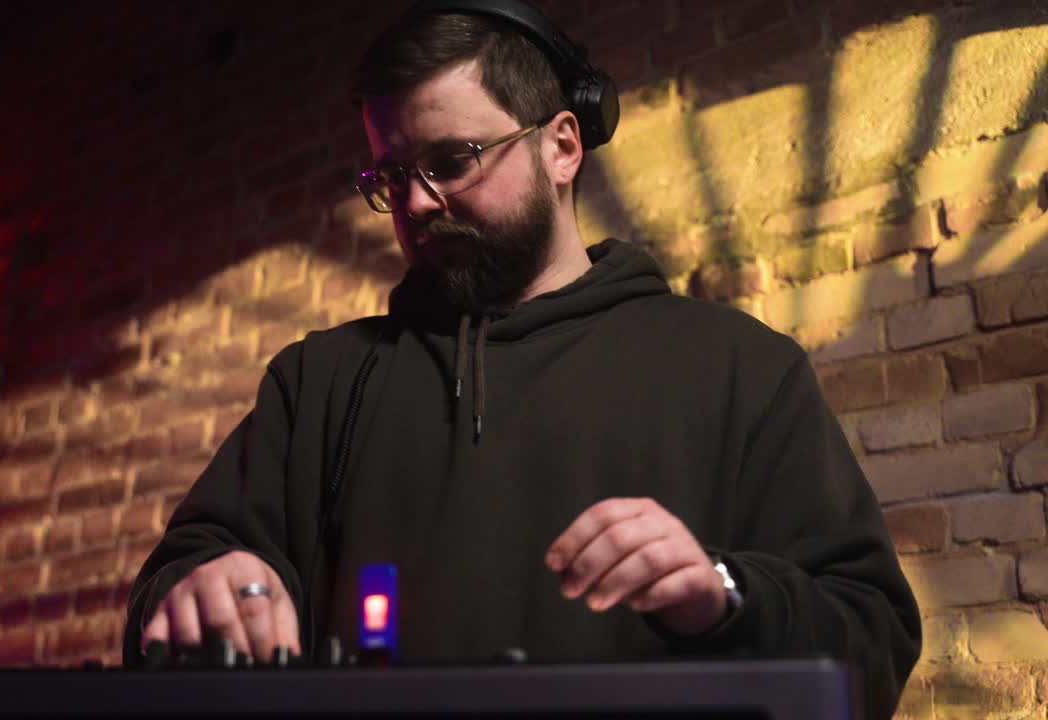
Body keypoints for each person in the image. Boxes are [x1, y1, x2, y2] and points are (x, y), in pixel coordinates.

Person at [125, 2, 921, 717]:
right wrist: (200, 593)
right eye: (392, 176)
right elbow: (171, 591)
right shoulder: (315, 383)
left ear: (563, 146)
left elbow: (870, 642)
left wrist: (721, 593)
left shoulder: (742, 367)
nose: (416, 203)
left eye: (452, 161)